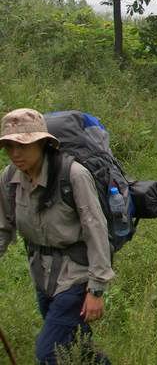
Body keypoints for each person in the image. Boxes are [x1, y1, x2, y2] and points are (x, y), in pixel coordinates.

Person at [0, 108, 112, 364]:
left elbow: (96, 230)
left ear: (42, 143)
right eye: (9, 147)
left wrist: (96, 289)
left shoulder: (74, 175)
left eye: (23, 145)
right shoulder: (8, 178)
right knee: (76, 347)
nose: (15, 153)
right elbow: (3, 228)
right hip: (42, 275)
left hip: (76, 276)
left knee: (48, 352)